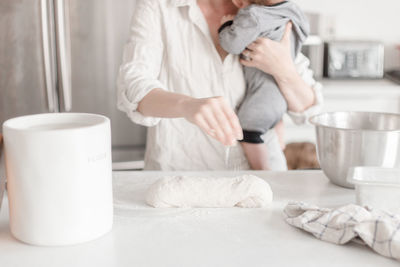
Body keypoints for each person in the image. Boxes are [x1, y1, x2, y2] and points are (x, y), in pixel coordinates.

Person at [117, 0, 323, 171]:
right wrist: (186, 105)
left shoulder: (269, 10)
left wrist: (284, 69)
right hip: (179, 176)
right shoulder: (160, 7)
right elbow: (133, 86)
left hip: (256, 184)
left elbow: (308, 109)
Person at [218, 0, 309, 170]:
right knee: (268, 134)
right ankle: (275, 169)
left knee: (247, 131)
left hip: (264, 98)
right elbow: (304, 33)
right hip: (280, 99)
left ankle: (263, 170)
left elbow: (231, 44)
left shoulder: (253, 15)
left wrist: (227, 25)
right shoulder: (293, 11)